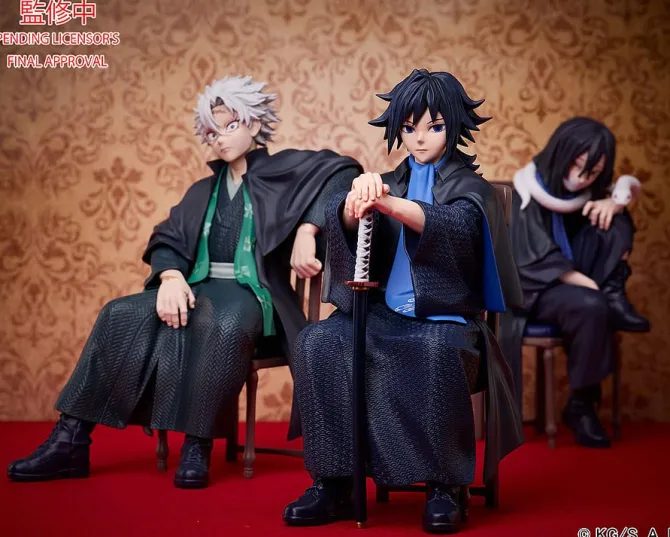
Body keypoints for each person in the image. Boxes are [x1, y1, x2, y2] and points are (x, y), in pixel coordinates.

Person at [7, 75, 362, 488]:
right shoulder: (202, 191)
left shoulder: (286, 171)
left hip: (253, 296)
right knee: (118, 313)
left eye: (230, 126)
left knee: (223, 323)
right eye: (211, 132)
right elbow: (168, 238)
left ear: (252, 124)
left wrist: (308, 229)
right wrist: (172, 277)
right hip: (198, 287)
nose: (220, 139)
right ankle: (70, 440)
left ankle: (198, 443)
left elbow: (345, 172)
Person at [283, 69, 524, 534]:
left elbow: (456, 227)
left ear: (454, 126)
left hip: (445, 317)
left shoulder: (472, 189)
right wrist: (351, 208)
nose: (420, 138)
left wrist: (389, 205)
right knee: (318, 343)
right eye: (410, 128)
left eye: (434, 126)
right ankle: (334, 481)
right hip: (380, 313)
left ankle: (444, 485)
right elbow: (348, 225)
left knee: (435, 351)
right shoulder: (386, 181)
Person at [502, 116, 650, 449]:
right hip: (538, 289)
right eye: (577, 166)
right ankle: (582, 406)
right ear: (561, 154)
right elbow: (536, 261)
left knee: (615, 220)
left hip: (584, 283)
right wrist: (593, 288)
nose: (582, 178)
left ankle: (613, 292)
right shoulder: (526, 190)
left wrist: (613, 204)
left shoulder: (593, 193)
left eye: (593, 172)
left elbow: (626, 191)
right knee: (591, 305)